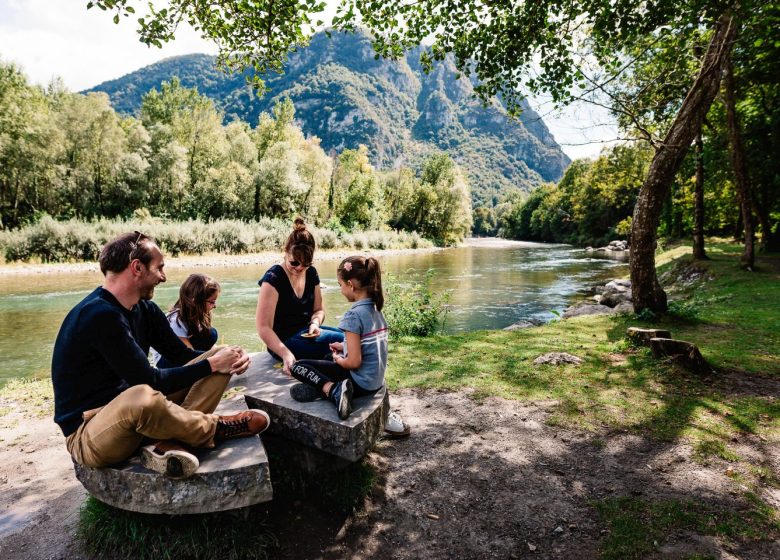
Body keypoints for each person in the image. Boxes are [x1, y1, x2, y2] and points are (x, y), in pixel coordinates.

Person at [52, 232, 270, 480]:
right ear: (137, 267)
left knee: (221, 353)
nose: (163, 277)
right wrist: (210, 365)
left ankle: (170, 443)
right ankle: (215, 428)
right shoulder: (99, 315)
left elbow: (181, 356)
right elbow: (150, 381)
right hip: (90, 433)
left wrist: (226, 359)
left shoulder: (145, 309)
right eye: (159, 268)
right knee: (143, 395)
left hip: (139, 418)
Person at [286, 256, 391, 421]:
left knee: (297, 367)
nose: (341, 290)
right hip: (374, 382)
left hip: (359, 383)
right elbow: (369, 345)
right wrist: (344, 347)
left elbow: (354, 362)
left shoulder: (353, 315)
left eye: (340, 285)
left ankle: (332, 390)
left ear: (350, 284)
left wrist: (339, 359)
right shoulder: (376, 310)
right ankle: (328, 389)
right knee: (327, 357)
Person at [255, 218, 343, 374]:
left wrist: (315, 324)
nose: (300, 268)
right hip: (283, 342)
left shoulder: (312, 273)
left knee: (351, 338)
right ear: (286, 252)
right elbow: (263, 328)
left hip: (308, 333)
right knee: (348, 342)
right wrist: (285, 353)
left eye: (306, 264)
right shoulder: (273, 278)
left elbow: (318, 310)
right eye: (294, 262)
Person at [152, 274, 221, 368]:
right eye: (212, 302)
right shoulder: (175, 321)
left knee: (211, 333)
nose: (215, 306)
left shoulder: (199, 314)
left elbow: (209, 345)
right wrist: (218, 358)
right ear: (195, 301)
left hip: (186, 351)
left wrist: (221, 350)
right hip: (167, 360)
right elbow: (187, 354)